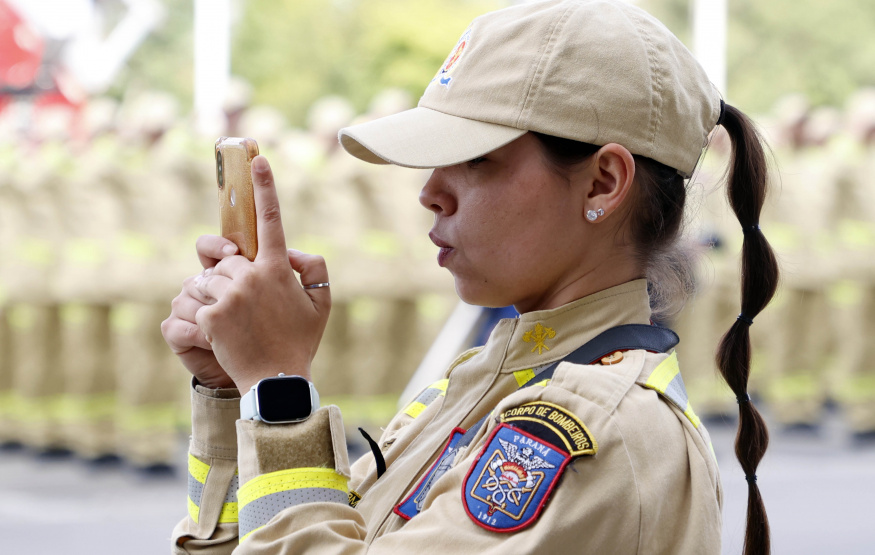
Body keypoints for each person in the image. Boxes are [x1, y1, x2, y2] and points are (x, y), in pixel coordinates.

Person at [162, 1, 778, 553]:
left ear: (603, 183)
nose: (430, 192)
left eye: (476, 160)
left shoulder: (587, 431)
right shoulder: (487, 381)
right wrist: (229, 394)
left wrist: (278, 389)